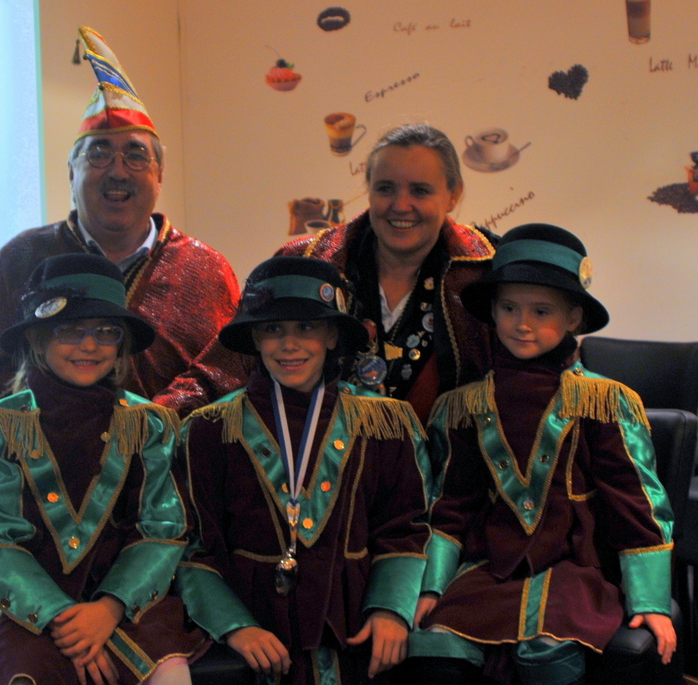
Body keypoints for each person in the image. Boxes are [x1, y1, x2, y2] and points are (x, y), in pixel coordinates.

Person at [0, 26, 247, 653]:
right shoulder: (24, 258)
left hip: (158, 510)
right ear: (72, 171)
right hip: (32, 516)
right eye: (99, 155)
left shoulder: (204, 269)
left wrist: (148, 425)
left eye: (136, 155)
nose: (117, 171)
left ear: (160, 173)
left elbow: (229, 373)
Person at [408, 223, 676, 685]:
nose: (522, 323)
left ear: (573, 318)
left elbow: (635, 501)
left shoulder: (604, 401)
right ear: (492, 312)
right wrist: (430, 586)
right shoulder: (462, 406)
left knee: (547, 650)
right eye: (509, 307)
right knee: (435, 645)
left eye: (541, 310)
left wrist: (651, 602)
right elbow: (451, 505)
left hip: (576, 567)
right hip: (489, 567)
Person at [0, 253, 206, 685]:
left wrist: (109, 609)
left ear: (121, 343)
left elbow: (162, 528)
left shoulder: (149, 425)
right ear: (37, 338)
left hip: (126, 598)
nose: (90, 345)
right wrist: (61, 618)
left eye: (106, 331)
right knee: (24, 670)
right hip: (30, 605)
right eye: (70, 330)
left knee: (169, 671)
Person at [176, 256, 432, 684]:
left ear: (332, 336)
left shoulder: (386, 423)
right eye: (273, 329)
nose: (289, 344)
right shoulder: (209, 430)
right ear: (255, 337)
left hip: (357, 627)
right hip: (253, 630)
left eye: (307, 327)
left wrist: (391, 608)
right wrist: (235, 626)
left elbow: (406, 525)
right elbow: (193, 545)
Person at [276, 123, 498, 426]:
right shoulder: (300, 264)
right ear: (368, 189)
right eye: (385, 189)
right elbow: (235, 371)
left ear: (453, 195)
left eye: (420, 191)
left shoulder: (489, 274)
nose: (401, 205)